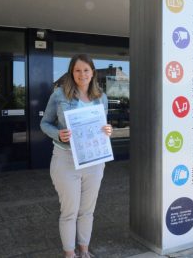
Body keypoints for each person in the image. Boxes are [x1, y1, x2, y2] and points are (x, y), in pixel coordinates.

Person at [40, 54, 112, 258]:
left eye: (86, 70)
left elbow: (101, 126)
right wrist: (58, 134)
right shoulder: (59, 95)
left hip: (94, 161)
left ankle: (84, 250)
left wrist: (108, 130)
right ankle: (70, 254)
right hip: (66, 160)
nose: (82, 74)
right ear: (72, 72)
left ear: (93, 72)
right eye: (78, 70)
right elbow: (45, 123)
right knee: (70, 212)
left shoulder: (101, 97)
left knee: (87, 211)